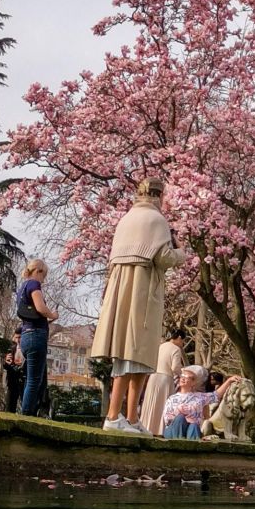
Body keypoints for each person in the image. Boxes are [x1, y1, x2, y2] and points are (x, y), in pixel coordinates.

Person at [91, 178, 184, 434]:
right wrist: (181, 252)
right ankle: (115, 416)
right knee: (137, 352)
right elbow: (164, 258)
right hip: (142, 290)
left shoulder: (126, 220)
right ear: (160, 195)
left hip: (120, 290)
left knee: (128, 354)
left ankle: (130, 418)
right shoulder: (157, 220)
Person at [14, 258, 57, 416]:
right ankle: (27, 414)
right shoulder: (33, 284)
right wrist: (53, 314)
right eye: (43, 276)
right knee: (34, 380)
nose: (43, 281)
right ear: (38, 271)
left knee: (30, 379)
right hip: (36, 335)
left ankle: (27, 411)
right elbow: (40, 307)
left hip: (26, 335)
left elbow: (32, 313)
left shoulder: (22, 288)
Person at [140, 326, 188, 435]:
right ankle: (160, 430)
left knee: (151, 402)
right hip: (165, 379)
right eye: (183, 341)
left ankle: (146, 427)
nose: (182, 344)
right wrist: (183, 374)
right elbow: (175, 367)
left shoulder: (160, 346)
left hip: (153, 377)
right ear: (179, 338)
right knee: (163, 405)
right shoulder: (176, 349)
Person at [159, 366, 214, 440]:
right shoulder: (172, 398)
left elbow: (201, 418)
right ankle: (178, 442)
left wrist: (229, 381)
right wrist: (181, 415)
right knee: (180, 418)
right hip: (172, 430)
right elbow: (167, 419)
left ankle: (193, 448)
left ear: (193, 382)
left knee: (194, 425)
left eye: (187, 377)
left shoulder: (198, 398)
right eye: (182, 376)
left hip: (190, 429)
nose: (183, 378)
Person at [2, 332, 26, 413]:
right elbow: (6, 366)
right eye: (16, 337)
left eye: (20, 337)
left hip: (23, 381)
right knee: (10, 404)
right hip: (12, 380)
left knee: (24, 404)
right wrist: (6, 362)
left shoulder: (27, 349)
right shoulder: (12, 349)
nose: (18, 340)